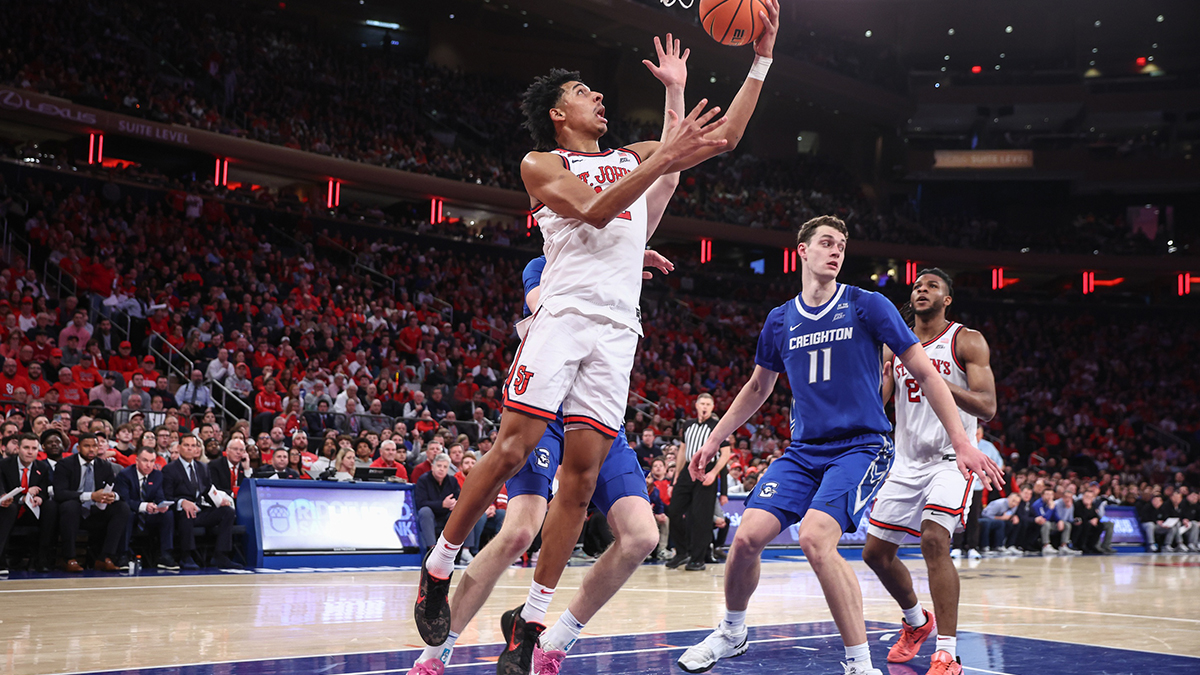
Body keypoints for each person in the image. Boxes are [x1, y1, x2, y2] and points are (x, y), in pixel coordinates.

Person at [416, 18, 778, 672]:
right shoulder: (543, 162)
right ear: (559, 113)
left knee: (580, 489)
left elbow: (720, 138)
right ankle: (438, 567)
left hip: (618, 330)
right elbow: (593, 210)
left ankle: (530, 621)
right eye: (586, 92)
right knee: (512, 447)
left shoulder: (632, 157)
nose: (600, 99)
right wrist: (663, 156)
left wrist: (760, 57)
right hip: (565, 317)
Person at [678, 217, 1001, 675]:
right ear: (802, 251)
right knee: (746, 537)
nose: (836, 251)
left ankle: (859, 664)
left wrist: (961, 441)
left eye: (842, 245)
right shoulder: (779, 319)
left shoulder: (868, 305)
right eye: (826, 243)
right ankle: (732, 632)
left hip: (862, 447)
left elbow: (927, 374)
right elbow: (756, 388)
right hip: (803, 451)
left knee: (814, 538)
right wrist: (713, 440)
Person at [409, 249, 666, 675]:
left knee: (642, 537)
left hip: (599, 415)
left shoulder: (620, 263)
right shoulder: (544, 265)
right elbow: (547, 309)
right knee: (519, 533)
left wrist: (617, 265)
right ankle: (436, 653)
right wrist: (604, 272)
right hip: (545, 410)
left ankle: (553, 641)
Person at [861, 269, 998, 675]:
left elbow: (987, 406)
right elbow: (879, 404)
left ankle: (948, 653)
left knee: (935, 541)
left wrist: (932, 376)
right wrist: (879, 383)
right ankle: (917, 622)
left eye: (932, 286)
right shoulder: (895, 343)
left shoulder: (966, 340)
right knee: (875, 554)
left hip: (952, 460)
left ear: (947, 299)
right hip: (906, 462)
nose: (922, 290)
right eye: (917, 286)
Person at [667, 393, 731, 571]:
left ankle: (698, 558)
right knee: (673, 511)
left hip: (707, 471)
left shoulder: (718, 426)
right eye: (702, 403)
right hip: (688, 470)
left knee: (700, 518)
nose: (704, 406)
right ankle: (681, 552)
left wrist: (714, 473)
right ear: (696, 405)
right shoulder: (687, 425)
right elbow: (682, 450)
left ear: (712, 407)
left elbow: (726, 453)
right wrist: (676, 477)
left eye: (708, 404)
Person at [53, 432, 131, 572]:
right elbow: (60, 493)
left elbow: (117, 490)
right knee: (70, 506)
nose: (91, 449)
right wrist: (90, 496)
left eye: (94, 446)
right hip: (73, 513)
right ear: (78, 447)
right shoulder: (65, 464)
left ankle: (105, 558)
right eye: (87, 446)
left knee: (122, 508)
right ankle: (69, 558)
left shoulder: (105, 466)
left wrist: (113, 496)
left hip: (96, 511)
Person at [163, 435, 241, 569]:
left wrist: (219, 502)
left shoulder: (203, 467)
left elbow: (207, 490)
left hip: (200, 509)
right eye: (186, 445)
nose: (190, 449)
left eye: (193, 446)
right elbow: (166, 496)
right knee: (187, 512)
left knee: (227, 512)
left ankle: (220, 555)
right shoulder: (169, 469)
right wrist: (182, 502)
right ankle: (186, 556)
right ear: (179, 447)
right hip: (180, 512)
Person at [0, 433, 58, 573]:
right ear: (18, 448)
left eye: (34, 448)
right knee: (10, 509)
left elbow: (43, 491)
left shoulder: (42, 468)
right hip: (9, 508)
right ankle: (1, 560)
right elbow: (2, 490)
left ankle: (42, 559)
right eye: (26, 447)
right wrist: (23, 495)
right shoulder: (4, 465)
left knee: (50, 506)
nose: (30, 451)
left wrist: (40, 498)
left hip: (31, 510)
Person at [113, 446, 178, 570]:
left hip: (148, 515)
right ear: (137, 461)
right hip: (132, 513)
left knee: (167, 514)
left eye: (152, 461)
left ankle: (166, 555)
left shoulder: (157, 475)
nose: (149, 465)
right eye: (145, 460)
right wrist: (144, 506)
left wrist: (161, 506)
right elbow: (125, 500)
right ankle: (123, 555)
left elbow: (159, 496)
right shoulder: (125, 475)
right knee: (127, 513)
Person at [414, 453, 460, 551]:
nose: (441, 469)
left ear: (448, 469)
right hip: (430, 516)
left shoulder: (452, 481)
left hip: (447, 516)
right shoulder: (423, 480)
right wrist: (442, 504)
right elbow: (420, 502)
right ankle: (432, 549)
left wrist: (456, 504)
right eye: (439, 466)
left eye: (445, 467)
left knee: (461, 512)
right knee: (425, 511)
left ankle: (464, 550)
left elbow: (459, 499)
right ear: (432, 467)